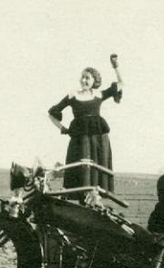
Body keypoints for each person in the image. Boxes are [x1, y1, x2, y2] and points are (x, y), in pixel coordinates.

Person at [48, 54, 123, 193]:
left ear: (94, 80)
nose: (83, 80)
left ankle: (95, 199)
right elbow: (52, 113)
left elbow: (120, 85)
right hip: (80, 139)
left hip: (99, 138)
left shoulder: (99, 94)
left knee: (97, 169)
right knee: (81, 168)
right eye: (82, 77)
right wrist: (63, 128)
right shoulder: (73, 95)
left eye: (87, 78)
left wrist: (115, 67)